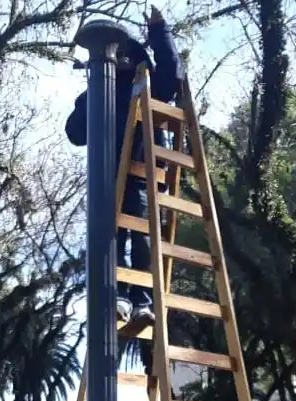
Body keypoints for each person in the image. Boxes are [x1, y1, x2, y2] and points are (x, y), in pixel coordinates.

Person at [65, 6, 184, 328]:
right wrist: (89, 101)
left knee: (144, 235)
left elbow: (172, 76)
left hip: (142, 172)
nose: (120, 61)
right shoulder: (94, 94)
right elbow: (75, 133)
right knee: (110, 234)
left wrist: (160, 30)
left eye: (125, 55)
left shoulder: (144, 86)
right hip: (107, 176)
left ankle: (142, 301)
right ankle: (116, 297)